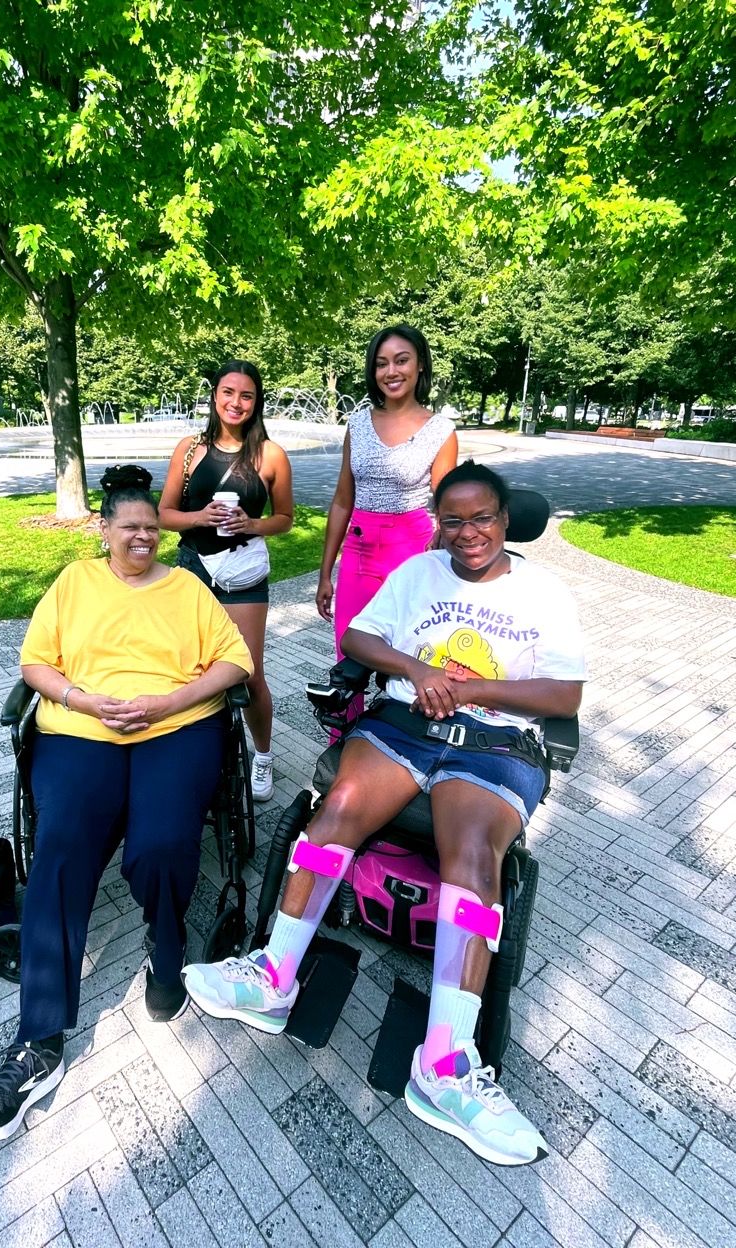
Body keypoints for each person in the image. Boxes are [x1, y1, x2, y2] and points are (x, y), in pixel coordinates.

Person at [184, 460, 586, 1167]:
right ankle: (274, 975)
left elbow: (564, 697)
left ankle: (446, 1065)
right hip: (404, 726)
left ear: (504, 517)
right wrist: (416, 672)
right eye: (453, 520)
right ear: (440, 522)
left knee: (470, 855)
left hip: (494, 741)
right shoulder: (416, 576)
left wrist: (469, 690)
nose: (468, 533)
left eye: (482, 518)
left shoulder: (546, 593)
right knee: (335, 807)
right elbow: (357, 641)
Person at [0, 465, 252, 1142]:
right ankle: (38, 1044)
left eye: (152, 526)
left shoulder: (186, 588)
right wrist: (83, 700)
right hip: (80, 729)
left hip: (176, 726)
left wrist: (167, 701)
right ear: (104, 530)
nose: (143, 537)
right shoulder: (74, 584)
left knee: (163, 843)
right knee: (60, 848)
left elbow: (235, 662)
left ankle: (164, 947)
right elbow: (36, 665)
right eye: (129, 527)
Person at [159, 360, 293, 802]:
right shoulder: (190, 449)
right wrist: (198, 517)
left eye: (247, 395)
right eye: (228, 392)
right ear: (214, 396)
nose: (236, 402)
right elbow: (163, 515)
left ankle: (264, 755)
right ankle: (193, 752)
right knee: (189, 667)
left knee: (247, 670)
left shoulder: (269, 455)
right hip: (193, 565)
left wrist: (250, 524)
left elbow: (285, 519)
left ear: (257, 404)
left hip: (243, 571)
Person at [317, 324, 458, 720]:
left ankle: (405, 744)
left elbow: (446, 508)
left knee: (411, 651)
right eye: (381, 364)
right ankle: (344, 748)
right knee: (350, 656)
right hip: (359, 553)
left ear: (419, 366)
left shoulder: (440, 430)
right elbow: (343, 501)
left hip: (412, 550)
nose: (391, 372)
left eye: (401, 360)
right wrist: (326, 573)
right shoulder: (358, 423)